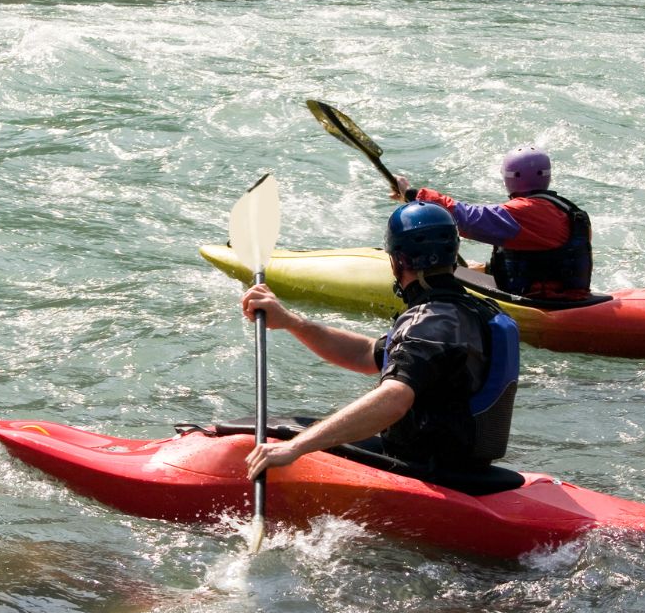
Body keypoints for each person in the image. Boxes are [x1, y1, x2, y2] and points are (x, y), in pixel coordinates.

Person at [243, 201, 519, 482]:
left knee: (274, 432)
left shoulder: (429, 322)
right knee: (299, 426)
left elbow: (395, 399)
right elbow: (366, 353)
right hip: (463, 465)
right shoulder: (470, 311)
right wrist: (291, 322)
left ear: (397, 260)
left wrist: (295, 447)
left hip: (426, 470)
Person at [390, 145, 593, 301]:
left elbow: (464, 219)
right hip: (565, 295)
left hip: (546, 302)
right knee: (470, 268)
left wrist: (414, 194)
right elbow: (545, 261)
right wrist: (486, 269)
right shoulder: (566, 210)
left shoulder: (525, 212)